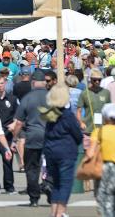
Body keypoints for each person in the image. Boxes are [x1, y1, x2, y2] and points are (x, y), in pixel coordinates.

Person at [42, 85, 83, 217]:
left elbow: (46, 133)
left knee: (55, 183)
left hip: (50, 151)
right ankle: (60, 212)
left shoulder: (50, 114)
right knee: (66, 183)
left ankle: (54, 212)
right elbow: (78, 135)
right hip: (66, 151)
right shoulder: (68, 116)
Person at [11, 70, 49, 207]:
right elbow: (57, 117)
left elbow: (19, 122)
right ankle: (49, 187)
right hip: (49, 137)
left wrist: (14, 138)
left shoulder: (27, 98)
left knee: (32, 168)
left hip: (32, 136)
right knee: (50, 165)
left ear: (33, 83)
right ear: (45, 83)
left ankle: (34, 198)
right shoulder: (51, 97)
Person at [0, 76, 18, 193]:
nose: (0, 86)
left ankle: (9, 186)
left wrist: (14, 126)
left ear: (5, 84)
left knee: (8, 162)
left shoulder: (12, 99)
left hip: (8, 135)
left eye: (1, 83)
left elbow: (18, 116)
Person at [77, 69, 112, 138]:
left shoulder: (106, 93)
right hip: (88, 129)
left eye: (99, 80)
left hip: (103, 129)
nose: (97, 82)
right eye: (95, 80)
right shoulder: (84, 93)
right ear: (91, 79)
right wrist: (81, 123)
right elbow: (78, 111)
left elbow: (109, 110)